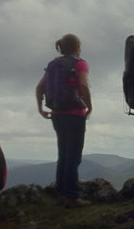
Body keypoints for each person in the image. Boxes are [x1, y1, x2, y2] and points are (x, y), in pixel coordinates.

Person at [36, 34, 92, 208]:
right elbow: (82, 85)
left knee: (63, 153)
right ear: (78, 47)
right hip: (75, 112)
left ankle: (61, 192)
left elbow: (40, 87)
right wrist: (90, 106)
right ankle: (72, 196)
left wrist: (40, 108)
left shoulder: (53, 65)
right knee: (73, 156)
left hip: (57, 113)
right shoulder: (79, 63)